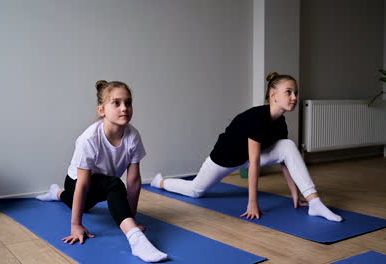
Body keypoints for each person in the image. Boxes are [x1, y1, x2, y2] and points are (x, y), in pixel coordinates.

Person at [151, 72, 342, 222]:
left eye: (296, 92)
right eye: (289, 92)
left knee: (288, 146)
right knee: (195, 190)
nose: (294, 97)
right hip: (223, 160)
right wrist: (252, 203)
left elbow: (286, 161)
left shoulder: (281, 123)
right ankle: (159, 182)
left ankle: (314, 202)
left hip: (246, 158)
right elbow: (255, 162)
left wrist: (295, 194)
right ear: (273, 95)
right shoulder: (256, 118)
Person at [36, 80, 167, 262]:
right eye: (116, 103)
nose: (124, 108)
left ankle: (56, 193)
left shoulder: (133, 136)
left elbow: (134, 181)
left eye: (128, 103)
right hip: (77, 182)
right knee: (109, 186)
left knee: (93, 198)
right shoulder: (89, 138)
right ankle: (137, 242)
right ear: (101, 110)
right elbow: (83, 184)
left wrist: (131, 218)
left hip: (102, 184)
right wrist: (76, 225)